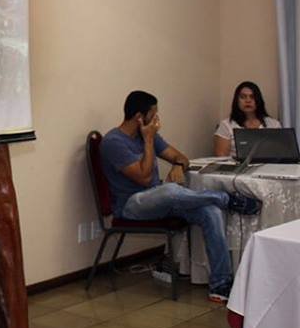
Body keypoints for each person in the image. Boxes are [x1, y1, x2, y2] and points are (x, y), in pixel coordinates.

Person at [100, 90, 260, 302]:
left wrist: (176, 165)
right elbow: (144, 179)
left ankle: (220, 285)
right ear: (140, 117)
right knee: (170, 190)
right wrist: (148, 140)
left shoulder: (148, 135)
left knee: (209, 211)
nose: (157, 121)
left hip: (163, 199)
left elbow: (182, 157)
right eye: (154, 115)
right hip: (131, 205)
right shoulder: (113, 142)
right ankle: (226, 198)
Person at [213, 81, 281, 158]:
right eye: (243, 97)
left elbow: (279, 153)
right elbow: (221, 158)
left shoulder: (274, 124)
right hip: (237, 167)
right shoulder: (226, 125)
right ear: (237, 101)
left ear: (258, 100)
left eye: (252, 97)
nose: (248, 101)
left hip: (267, 167)